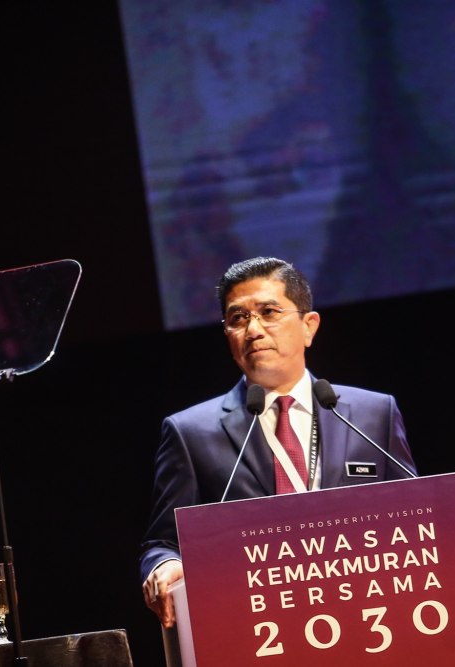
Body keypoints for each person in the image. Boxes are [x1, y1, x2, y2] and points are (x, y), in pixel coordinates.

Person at [139, 256, 418, 628]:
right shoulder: (190, 432)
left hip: (370, 616)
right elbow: (163, 543)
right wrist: (166, 565)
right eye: (238, 318)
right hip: (256, 624)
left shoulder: (373, 414)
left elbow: (417, 519)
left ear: (309, 326)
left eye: (268, 312)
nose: (253, 329)